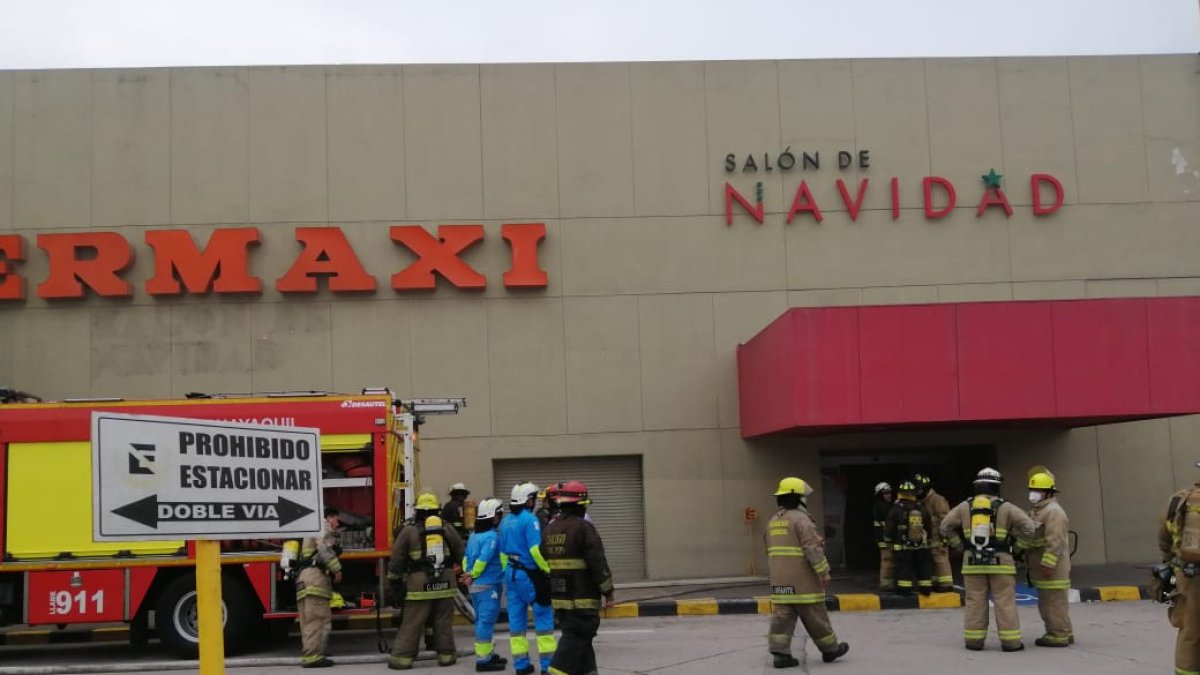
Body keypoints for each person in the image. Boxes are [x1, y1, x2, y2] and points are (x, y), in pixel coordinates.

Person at [939, 468, 1036, 652]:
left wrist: (961, 547)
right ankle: (1011, 643)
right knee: (1004, 602)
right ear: (996, 487)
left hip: (972, 563)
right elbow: (1029, 528)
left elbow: (945, 527)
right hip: (1001, 563)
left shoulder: (964, 506)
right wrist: (1016, 549)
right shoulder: (1006, 507)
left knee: (975, 602)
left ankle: (974, 642)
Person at [765, 476, 849, 668]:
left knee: (782, 617)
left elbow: (768, 550)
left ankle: (780, 654)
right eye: (804, 497)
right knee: (815, 615)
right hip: (803, 581)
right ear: (797, 498)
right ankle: (830, 650)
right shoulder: (802, 520)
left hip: (779, 581)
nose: (806, 500)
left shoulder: (772, 521)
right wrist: (824, 572)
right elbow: (813, 549)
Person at [542, 480, 614, 675]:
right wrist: (608, 592)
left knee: (581, 640)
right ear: (579, 505)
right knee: (575, 639)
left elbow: (544, 556)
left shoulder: (549, 529)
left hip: (560, 599)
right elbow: (598, 563)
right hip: (582, 599)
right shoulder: (584, 528)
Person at [387, 493, 466, 670]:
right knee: (443, 621)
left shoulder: (409, 530)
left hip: (419, 584)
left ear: (418, 510)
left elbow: (396, 559)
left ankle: (401, 658)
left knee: (413, 622)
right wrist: (466, 574)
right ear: (436, 510)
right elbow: (461, 552)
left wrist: (394, 583)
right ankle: (446, 656)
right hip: (445, 582)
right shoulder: (447, 528)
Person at [499, 482, 557, 675]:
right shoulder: (529, 520)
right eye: (533, 499)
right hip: (529, 575)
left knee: (516, 622)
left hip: (511, 575)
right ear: (528, 500)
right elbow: (535, 551)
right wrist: (548, 570)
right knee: (543, 617)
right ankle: (547, 666)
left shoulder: (505, 521)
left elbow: (502, 553)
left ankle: (521, 665)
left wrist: (506, 574)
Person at [1158, 461, 1200, 675]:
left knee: (1190, 630)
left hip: (1186, 575)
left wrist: (1170, 562)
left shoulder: (1178, 500)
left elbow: (1164, 538)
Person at [1022, 468, 1073, 647]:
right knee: (1053, 601)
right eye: (1032, 490)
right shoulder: (1038, 511)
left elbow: (1055, 541)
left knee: (1052, 604)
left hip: (1052, 569)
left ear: (1048, 492)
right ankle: (1065, 632)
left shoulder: (1054, 512)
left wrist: (1048, 564)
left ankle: (1057, 635)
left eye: (1038, 491)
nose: (1033, 494)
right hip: (1041, 568)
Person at [296, 508, 343, 668]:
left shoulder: (311, 526)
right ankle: (314, 656)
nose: (337, 524)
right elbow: (323, 550)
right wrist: (337, 569)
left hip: (304, 578)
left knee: (308, 621)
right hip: (315, 579)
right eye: (337, 520)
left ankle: (313, 652)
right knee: (318, 619)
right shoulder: (322, 525)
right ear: (329, 517)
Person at [465, 498, 508, 672]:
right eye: (499, 514)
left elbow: (466, 557)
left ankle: (488, 654)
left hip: (476, 587)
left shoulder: (473, 535)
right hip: (488, 585)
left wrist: (469, 574)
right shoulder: (491, 537)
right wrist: (474, 574)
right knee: (486, 621)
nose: (500, 517)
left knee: (481, 621)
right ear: (493, 516)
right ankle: (483, 660)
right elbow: (484, 558)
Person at [887, 481, 933, 596]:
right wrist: (928, 540)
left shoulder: (896, 508)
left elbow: (889, 527)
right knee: (923, 569)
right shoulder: (921, 507)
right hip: (921, 547)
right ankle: (926, 590)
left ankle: (904, 591)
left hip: (903, 548)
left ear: (900, 494)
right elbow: (929, 526)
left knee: (904, 569)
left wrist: (888, 540)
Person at [914, 473, 954, 592]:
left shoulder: (937, 499)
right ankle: (936, 582)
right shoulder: (923, 501)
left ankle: (946, 584)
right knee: (931, 560)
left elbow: (946, 519)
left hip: (938, 536)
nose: (917, 492)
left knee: (940, 559)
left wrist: (945, 537)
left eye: (919, 489)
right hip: (928, 537)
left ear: (925, 488)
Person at [872, 482, 894, 591]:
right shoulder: (879, 507)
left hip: (894, 539)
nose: (889, 495)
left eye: (889, 493)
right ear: (880, 494)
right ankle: (885, 584)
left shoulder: (892, 506)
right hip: (885, 540)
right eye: (885, 493)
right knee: (887, 562)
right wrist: (881, 542)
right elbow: (878, 527)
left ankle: (891, 583)